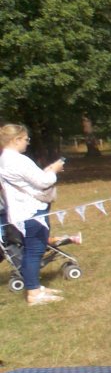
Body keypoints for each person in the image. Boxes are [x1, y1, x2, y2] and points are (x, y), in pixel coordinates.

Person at [0, 124, 66, 305]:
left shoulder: (5, 159)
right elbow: (43, 182)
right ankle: (33, 293)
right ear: (16, 140)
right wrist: (54, 170)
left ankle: (35, 287)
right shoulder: (17, 160)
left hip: (22, 210)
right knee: (34, 251)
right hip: (30, 211)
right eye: (26, 139)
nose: (28, 143)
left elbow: (30, 181)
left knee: (33, 250)